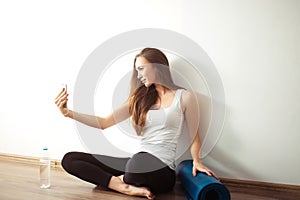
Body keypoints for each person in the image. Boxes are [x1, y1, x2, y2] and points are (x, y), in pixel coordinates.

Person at [54, 47, 218, 199]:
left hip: (162, 170)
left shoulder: (184, 97)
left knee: (137, 164)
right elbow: (103, 122)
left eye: (141, 68)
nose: (138, 75)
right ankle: (122, 186)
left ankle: (122, 179)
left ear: (157, 66)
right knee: (70, 159)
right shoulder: (139, 99)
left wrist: (197, 161)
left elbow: (194, 137)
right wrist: (68, 113)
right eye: (136, 70)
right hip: (137, 163)